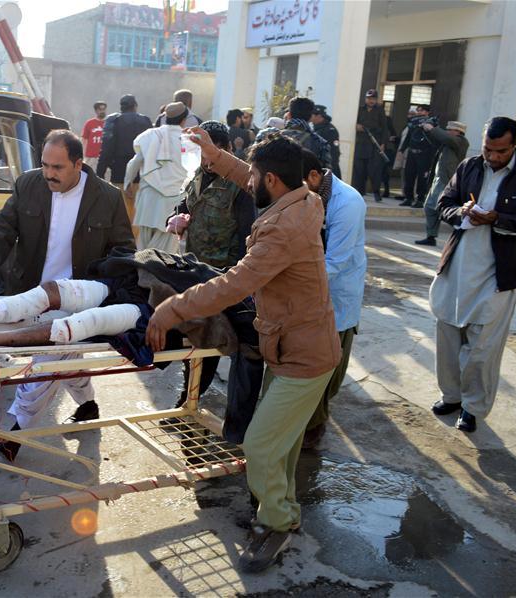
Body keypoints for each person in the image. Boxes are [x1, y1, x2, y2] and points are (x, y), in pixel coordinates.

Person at [146, 132, 340, 573]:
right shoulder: (303, 197)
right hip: (290, 344)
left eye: (254, 174)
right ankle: (284, 511)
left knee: (259, 444)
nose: (248, 180)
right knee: (282, 446)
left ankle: (277, 522)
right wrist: (216, 158)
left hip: (304, 357)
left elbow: (232, 285)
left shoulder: (283, 229)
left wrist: (170, 309)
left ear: (271, 179)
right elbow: (251, 176)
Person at [0, 129, 135, 461]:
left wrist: (103, 290)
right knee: (67, 356)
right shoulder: (28, 185)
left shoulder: (107, 196)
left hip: (77, 297)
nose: (49, 173)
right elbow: (3, 226)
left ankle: (15, 430)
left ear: (79, 164)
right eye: (45, 165)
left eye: (58, 167)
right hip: (33, 291)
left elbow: (123, 249)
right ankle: (88, 405)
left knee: (49, 357)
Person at [427, 117, 516, 434]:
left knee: (482, 349)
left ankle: (472, 407)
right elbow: (445, 202)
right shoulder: (469, 166)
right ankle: (452, 396)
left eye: (500, 151)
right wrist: (462, 213)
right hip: (458, 266)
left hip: (498, 273)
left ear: (513, 145)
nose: (493, 157)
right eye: (488, 149)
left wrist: (500, 218)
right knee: (447, 336)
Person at [166, 120, 256, 410]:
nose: (205, 160)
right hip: (194, 269)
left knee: (218, 338)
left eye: (210, 153)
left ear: (226, 150)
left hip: (225, 277)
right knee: (196, 335)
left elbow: (248, 235)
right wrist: (177, 216)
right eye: (200, 154)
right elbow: (187, 202)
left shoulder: (240, 185)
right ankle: (189, 395)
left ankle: (199, 401)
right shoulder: (198, 173)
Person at [300, 150, 367, 448]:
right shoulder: (307, 193)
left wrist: (291, 286)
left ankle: (314, 428)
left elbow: (335, 263)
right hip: (309, 289)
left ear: (314, 176)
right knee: (308, 363)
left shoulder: (348, 203)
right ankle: (308, 421)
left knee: (327, 366)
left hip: (337, 292)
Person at [125, 102, 187, 252]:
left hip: (148, 198)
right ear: (184, 119)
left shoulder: (150, 135)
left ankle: (142, 273)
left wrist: (128, 184)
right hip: (174, 201)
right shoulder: (189, 139)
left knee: (143, 246)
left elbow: (135, 162)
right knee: (166, 251)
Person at [97, 94, 152, 223]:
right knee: (138, 216)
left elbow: (106, 150)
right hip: (142, 175)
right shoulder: (146, 121)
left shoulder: (113, 120)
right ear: (135, 106)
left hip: (119, 173)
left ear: (121, 107)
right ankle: (136, 243)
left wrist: (99, 175)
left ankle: (124, 242)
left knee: (120, 215)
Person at [415, 120, 470, 246]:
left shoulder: (461, 141)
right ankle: (431, 236)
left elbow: (444, 137)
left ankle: (460, 232)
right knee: (430, 207)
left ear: (457, 132)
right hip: (439, 179)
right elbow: (437, 139)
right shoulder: (448, 141)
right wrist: (427, 130)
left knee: (441, 209)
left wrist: (432, 128)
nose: (447, 131)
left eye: (449, 130)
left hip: (447, 180)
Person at [352, 89, 389, 203]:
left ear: (376, 99)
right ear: (365, 99)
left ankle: (376, 193)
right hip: (360, 144)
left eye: (373, 98)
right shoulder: (359, 109)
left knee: (374, 171)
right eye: (369, 98)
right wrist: (357, 126)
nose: (371, 100)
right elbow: (353, 123)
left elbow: (385, 128)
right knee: (359, 170)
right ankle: (359, 193)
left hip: (374, 144)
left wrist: (383, 143)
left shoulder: (380, 111)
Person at [399, 104, 438, 208]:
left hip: (424, 153)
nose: (419, 113)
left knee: (422, 177)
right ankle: (408, 198)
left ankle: (420, 199)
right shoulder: (413, 122)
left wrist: (427, 127)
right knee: (409, 175)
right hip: (412, 153)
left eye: (421, 111)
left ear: (427, 112)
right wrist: (402, 149)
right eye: (418, 111)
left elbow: (435, 138)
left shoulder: (431, 122)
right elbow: (408, 137)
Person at [279, 96, 332, 169]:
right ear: (310, 117)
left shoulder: (269, 137)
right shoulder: (321, 143)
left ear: (289, 115)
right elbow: (326, 175)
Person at [311, 104, 341, 179]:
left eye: (312, 114)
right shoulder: (315, 129)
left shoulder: (330, 130)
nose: (310, 116)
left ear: (319, 116)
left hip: (328, 171)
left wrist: (328, 172)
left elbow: (334, 153)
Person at [81, 100, 107, 172]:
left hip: (104, 157)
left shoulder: (108, 123)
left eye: (104, 109)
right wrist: (82, 155)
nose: (102, 111)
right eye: (100, 109)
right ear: (96, 110)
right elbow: (84, 139)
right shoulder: (89, 123)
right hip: (91, 157)